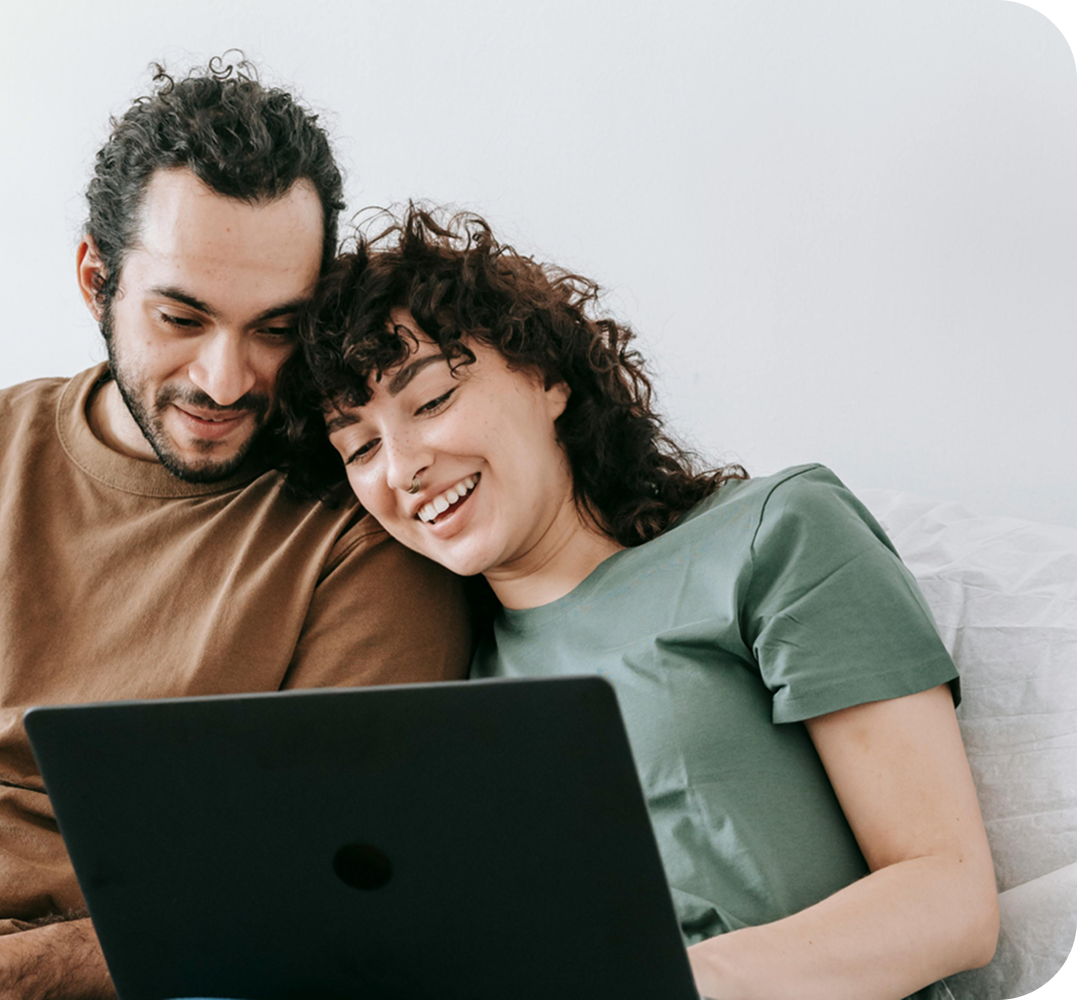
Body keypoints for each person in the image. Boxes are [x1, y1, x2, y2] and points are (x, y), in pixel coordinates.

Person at [0, 66, 470, 998]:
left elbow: (311, 892)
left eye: (275, 328)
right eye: (181, 317)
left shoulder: (357, 534)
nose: (226, 378)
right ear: (96, 280)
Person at [283, 205, 1000, 1000]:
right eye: (359, 446)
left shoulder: (773, 535)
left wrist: (664, 982)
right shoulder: (449, 686)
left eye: (429, 402)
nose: (404, 466)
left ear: (547, 377)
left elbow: (949, 897)